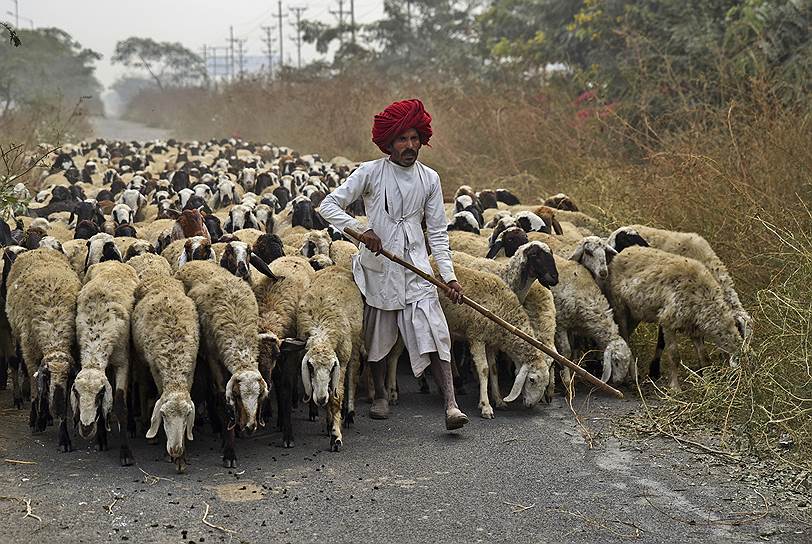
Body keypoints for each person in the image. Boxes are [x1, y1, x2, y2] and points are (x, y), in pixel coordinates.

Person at [319, 98, 469, 430]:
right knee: (377, 334)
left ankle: (451, 405)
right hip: (380, 266)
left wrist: (449, 277)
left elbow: (439, 234)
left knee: (436, 331)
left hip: (416, 265)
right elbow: (327, 205)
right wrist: (361, 231)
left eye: (415, 139)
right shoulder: (370, 173)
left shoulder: (430, 179)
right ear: (389, 142)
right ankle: (380, 396)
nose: (410, 145)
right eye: (402, 139)